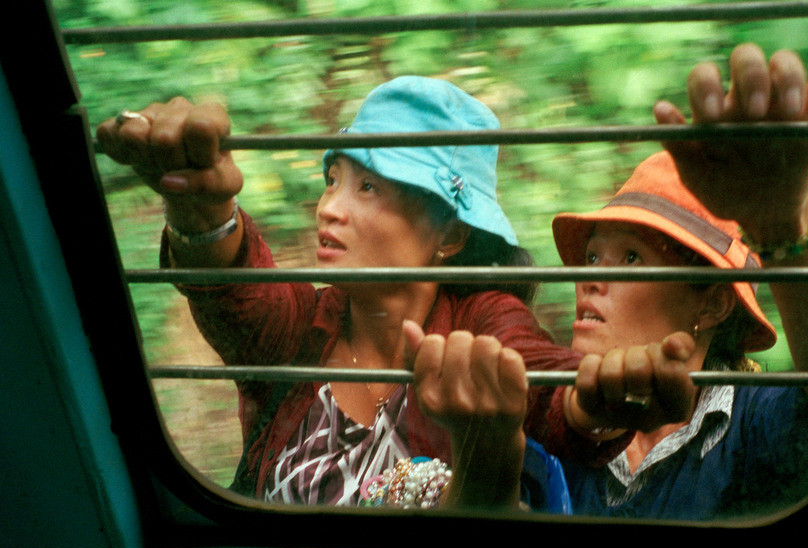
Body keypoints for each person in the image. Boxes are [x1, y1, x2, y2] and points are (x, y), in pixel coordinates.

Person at [96, 76, 621, 511]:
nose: (328, 207)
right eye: (333, 178)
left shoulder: (482, 319)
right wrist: (203, 210)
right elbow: (237, 294)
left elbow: (538, 379)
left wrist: (596, 401)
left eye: (368, 187)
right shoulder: (301, 327)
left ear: (450, 236)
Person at [413, 45, 808, 523]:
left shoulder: (752, 426)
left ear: (712, 304)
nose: (590, 280)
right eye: (590, 257)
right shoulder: (548, 422)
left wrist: (785, 228)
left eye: (629, 257)